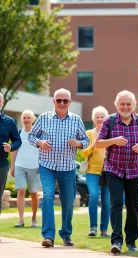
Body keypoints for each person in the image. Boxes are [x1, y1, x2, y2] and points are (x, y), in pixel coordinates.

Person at [95, 90, 138, 254]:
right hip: (113, 168)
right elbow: (98, 144)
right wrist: (113, 141)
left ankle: (131, 241)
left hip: (135, 170)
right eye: (122, 103)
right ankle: (116, 241)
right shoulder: (110, 121)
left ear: (134, 105)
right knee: (116, 203)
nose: (125, 106)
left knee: (133, 205)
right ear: (116, 105)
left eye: (129, 104)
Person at [28, 88, 89, 248]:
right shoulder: (43, 118)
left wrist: (79, 143)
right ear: (53, 101)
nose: (62, 103)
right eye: (59, 100)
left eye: (65, 101)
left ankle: (66, 234)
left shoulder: (76, 120)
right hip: (47, 165)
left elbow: (86, 141)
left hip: (68, 167)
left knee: (68, 202)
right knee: (48, 196)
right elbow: (31, 136)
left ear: (70, 102)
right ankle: (48, 236)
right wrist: (40, 143)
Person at [81, 106, 110, 238]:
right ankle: (93, 227)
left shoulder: (111, 133)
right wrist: (93, 145)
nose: (100, 119)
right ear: (93, 119)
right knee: (93, 196)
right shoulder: (89, 133)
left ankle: (104, 229)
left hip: (108, 172)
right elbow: (83, 153)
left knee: (106, 201)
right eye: (97, 117)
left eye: (102, 116)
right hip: (92, 171)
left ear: (106, 119)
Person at [11, 110, 40, 227]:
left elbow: (42, 151)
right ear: (22, 120)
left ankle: (34, 218)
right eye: (24, 118)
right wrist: (12, 166)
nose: (26, 120)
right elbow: (14, 150)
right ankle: (21, 219)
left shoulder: (38, 134)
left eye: (28, 117)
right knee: (21, 190)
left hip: (34, 167)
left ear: (33, 120)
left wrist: (41, 165)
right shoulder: (18, 133)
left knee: (33, 193)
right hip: (20, 166)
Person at [0, 92, 22, 241]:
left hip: (1, 165)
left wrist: (11, 146)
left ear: (2, 102)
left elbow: (18, 141)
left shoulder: (9, 122)